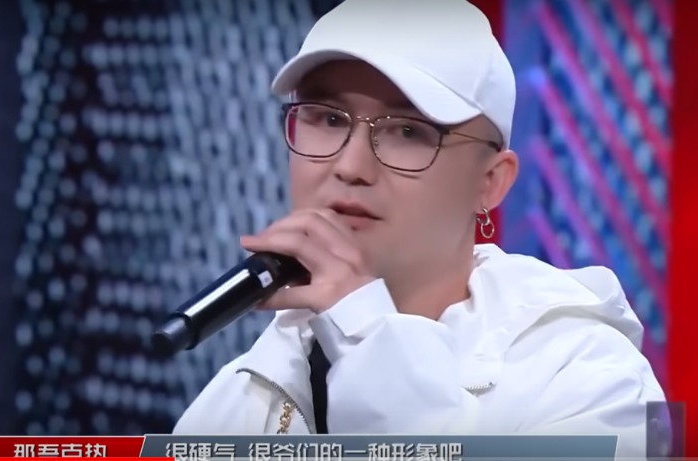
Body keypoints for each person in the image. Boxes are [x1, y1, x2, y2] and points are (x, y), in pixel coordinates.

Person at [174, 0, 667, 457]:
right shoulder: (240, 394)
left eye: (407, 131)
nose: (350, 166)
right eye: (327, 119)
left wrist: (367, 333)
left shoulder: (597, 378)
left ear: (490, 182)